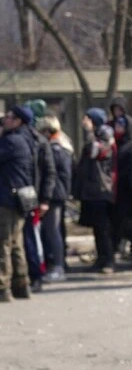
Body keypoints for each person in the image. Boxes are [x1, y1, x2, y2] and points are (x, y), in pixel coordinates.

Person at [0, 105, 36, 301]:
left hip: (7, 198)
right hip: (19, 198)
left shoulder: (11, 141)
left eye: (8, 117)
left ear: (18, 121)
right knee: (16, 244)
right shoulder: (26, 138)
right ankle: (21, 285)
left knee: (3, 244)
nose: (5, 120)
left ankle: (3, 286)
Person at [74, 108, 116, 274]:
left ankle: (109, 260)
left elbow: (94, 152)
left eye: (87, 119)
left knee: (103, 228)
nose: (84, 122)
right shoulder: (94, 136)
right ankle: (101, 258)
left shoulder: (105, 137)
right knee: (97, 228)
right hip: (91, 190)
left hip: (101, 189)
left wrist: (89, 132)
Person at [22, 104, 57, 292]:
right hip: (20, 194)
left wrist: (45, 199)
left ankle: (37, 273)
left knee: (32, 237)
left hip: (32, 196)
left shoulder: (39, 142)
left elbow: (49, 172)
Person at [37, 116, 73, 282]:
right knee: (53, 230)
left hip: (54, 194)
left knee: (53, 231)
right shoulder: (62, 146)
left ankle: (58, 266)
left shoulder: (56, 148)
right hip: (57, 193)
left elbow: (55, 173)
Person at [113, 116, 132, 269]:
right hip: (117, 191)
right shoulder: (116, 144)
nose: (117, 128)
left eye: (120, 126)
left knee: (131, 224)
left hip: (129, 192)